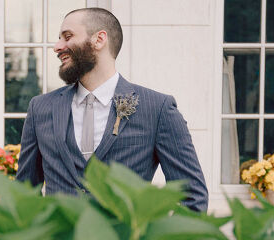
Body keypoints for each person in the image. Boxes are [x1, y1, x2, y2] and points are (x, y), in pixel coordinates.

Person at [16, 8, 208, 212]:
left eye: (68, 37)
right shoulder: (41, 108)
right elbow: (25, 193)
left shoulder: (158, 109)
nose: (57, 47)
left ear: (99, 39)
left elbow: (191, 196)